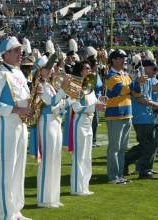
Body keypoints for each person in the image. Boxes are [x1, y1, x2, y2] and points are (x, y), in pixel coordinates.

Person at [0, 36, 32, 220]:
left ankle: (16, 210)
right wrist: (16, 109)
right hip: (7, 124)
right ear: (6, 54)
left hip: (21, 124)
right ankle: (6, 213)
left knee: (19, 168)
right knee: (7, 168)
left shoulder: (19, 73)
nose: (21, 53)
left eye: (20, 50)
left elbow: (25, 98)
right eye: (16, 50)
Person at [105, 50, 146, 184]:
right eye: (121, 58)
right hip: (115, 115)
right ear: (114, 60)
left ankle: (119, 175)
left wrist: (139, 83)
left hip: (127, 114)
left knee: (122, 148)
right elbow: (121, 90)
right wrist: (135, 82)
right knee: (114, 148)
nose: (124, 60)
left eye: (124, 58)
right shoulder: (110, 75)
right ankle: (113, 176)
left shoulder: (125, 75)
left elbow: (134, 92)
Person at [37, 55, 69, 208]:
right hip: (47, 121)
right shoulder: (39, 85)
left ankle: (53, 197)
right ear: (40, 70)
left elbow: (60, 102)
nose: (50, 71)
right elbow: (50, 101)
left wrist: (66, 97)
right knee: (48, 160)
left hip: (56, 121)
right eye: (47, 69)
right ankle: (44, 198)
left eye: (50, 68)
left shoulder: (49, 85)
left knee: (56, 159)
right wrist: (63, 89)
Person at [70, 61, 106, 195]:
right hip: (79, 122)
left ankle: (84, 186)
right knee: (79, 156)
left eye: (90, 68)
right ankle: (76, 188)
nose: (89, 70)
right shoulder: (74, 85)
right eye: (86, 68)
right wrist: (94, 107)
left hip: (89, 122)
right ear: (80, 70)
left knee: (87, 156)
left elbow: (93, 102)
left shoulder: (89, 85)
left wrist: (100, 100)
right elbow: (76, 108)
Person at [124, 60, 158, 179]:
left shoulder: (148, 80)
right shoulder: (139, 81)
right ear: (146, 68)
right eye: (154, 69)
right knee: (148, 145)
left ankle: (128, 162)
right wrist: (156, 105)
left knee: (148, 145)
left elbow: (152, 93)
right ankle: (142, 169)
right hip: (141, 117)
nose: (155, 72)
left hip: (148, 117)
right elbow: (141, 100)